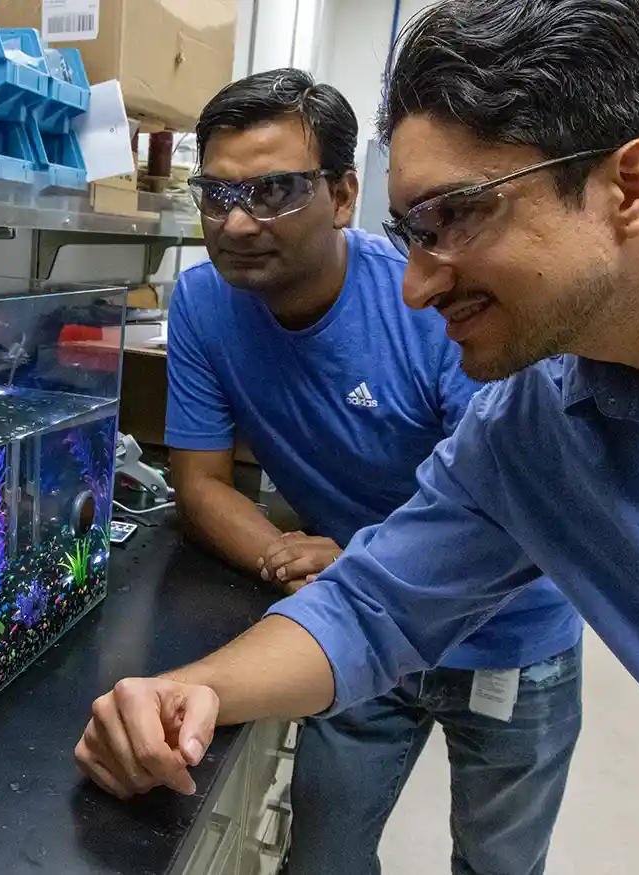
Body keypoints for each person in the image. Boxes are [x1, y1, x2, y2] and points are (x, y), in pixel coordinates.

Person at [73, 1, 639, 873]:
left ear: (631, 186)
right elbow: (376, 602)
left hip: (516, 650)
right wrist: (185, 691)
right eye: (411, 236)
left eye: (455, 219)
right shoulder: (531, 424)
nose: (418, 286)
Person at [162, 68, 582, 875]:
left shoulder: (435, 303)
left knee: (500, 861)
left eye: (275, 190)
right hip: (350, 624)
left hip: (509, 635)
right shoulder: (203, 305)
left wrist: (356, 553)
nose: (238, 221)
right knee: (321, 853)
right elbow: (203, 483)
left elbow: (499, 507)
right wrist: (282, 556)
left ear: (345, 194)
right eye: (214, 195)